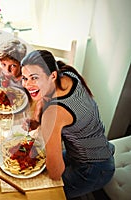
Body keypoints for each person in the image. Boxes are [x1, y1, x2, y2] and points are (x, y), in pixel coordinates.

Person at [20, 50, 115, 199]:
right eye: (24, 78)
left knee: (37, 192)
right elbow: (47, 98)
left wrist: (45, 126)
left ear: (52, 76)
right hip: (92, 151)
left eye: (34, 78)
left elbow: (55, 173)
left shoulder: (53, 114)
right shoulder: (68, 74)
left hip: (94, 169)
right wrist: (38, 120)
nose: (27, 84)